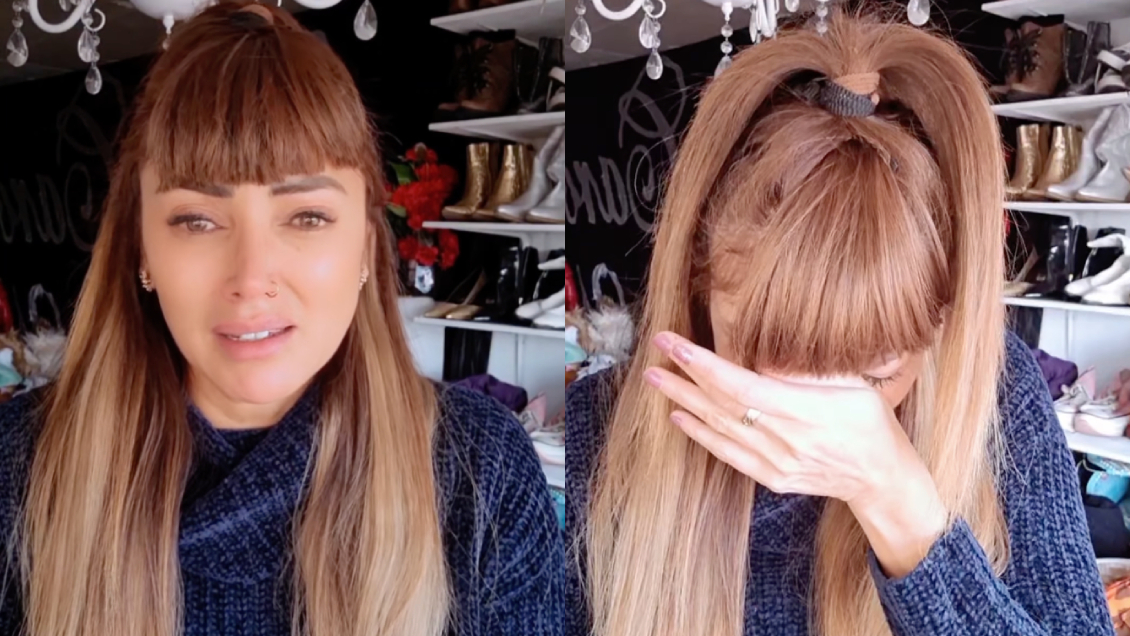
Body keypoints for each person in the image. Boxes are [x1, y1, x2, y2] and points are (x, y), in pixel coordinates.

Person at [0, 3, 564, 636]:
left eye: (307, 217)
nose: (251, 277)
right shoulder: (20, 465)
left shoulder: (481, 473)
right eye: (197, 220)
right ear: (142, 251)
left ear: (364, 247)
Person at [565, 12, 1113, 636]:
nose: (812, 419)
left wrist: (896, 502)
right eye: (764, 353)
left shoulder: (998, 392)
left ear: (941, 320)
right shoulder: (598, 430)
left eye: (873, 376)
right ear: (698, 283)